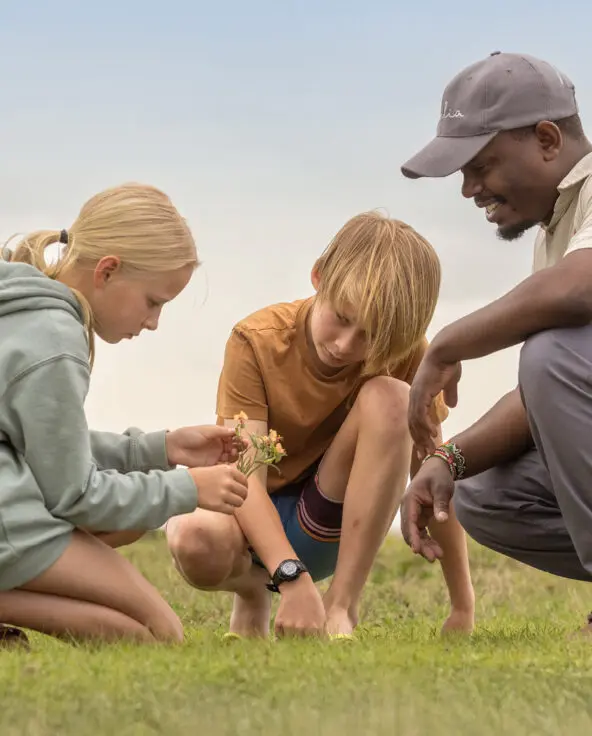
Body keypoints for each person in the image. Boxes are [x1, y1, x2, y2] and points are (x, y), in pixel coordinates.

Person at [166, 211, 475, 639]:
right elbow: (245, 479)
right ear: (318, 275)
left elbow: (433, 480)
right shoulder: (255, 341)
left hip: (325, 526)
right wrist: (290, 579)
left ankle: (341, 607)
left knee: (391, 398)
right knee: (193, 536)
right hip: (245, 524)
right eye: (342, 318)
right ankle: (254, 590)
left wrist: (462, 605)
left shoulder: (405, 353)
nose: (345, 346)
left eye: (370, 336)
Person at [0, 183, 248, 647]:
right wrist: (188, 489)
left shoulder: (21, 305)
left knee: (133, 520)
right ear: (107, 270)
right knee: (157, 635)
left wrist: (159, 449)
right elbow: (75, 494)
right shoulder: (53, 339)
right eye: (154, 302)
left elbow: (42, 444)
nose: (153, 322)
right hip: (7, 518)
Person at [398, 51, 592, 628]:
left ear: (547, 139)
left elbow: (580, 293)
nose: (468, 189)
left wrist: (446, 346)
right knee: (476, 489)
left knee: (549, 354)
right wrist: (446, 458)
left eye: (480, 165)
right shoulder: (563, 226)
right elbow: (549, 395)